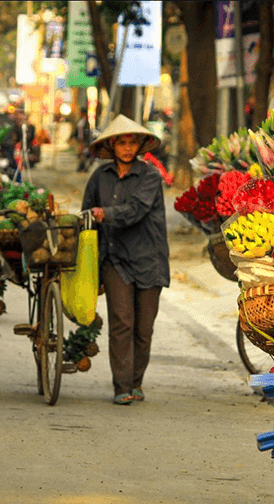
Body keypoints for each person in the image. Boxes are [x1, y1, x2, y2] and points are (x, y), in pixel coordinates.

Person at [80, 115, 170, 405]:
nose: (128, 148)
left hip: (148, 259)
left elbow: (135, 210)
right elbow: (86, 215)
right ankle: (121, 386)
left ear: (140, 145)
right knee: (122, 323)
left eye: (133, 143)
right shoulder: (99, 176)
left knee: (144, 328)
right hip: (114, 258)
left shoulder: (150, 176)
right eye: (122, 142)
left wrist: (107, 213)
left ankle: (136, 382)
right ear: (112, 145)